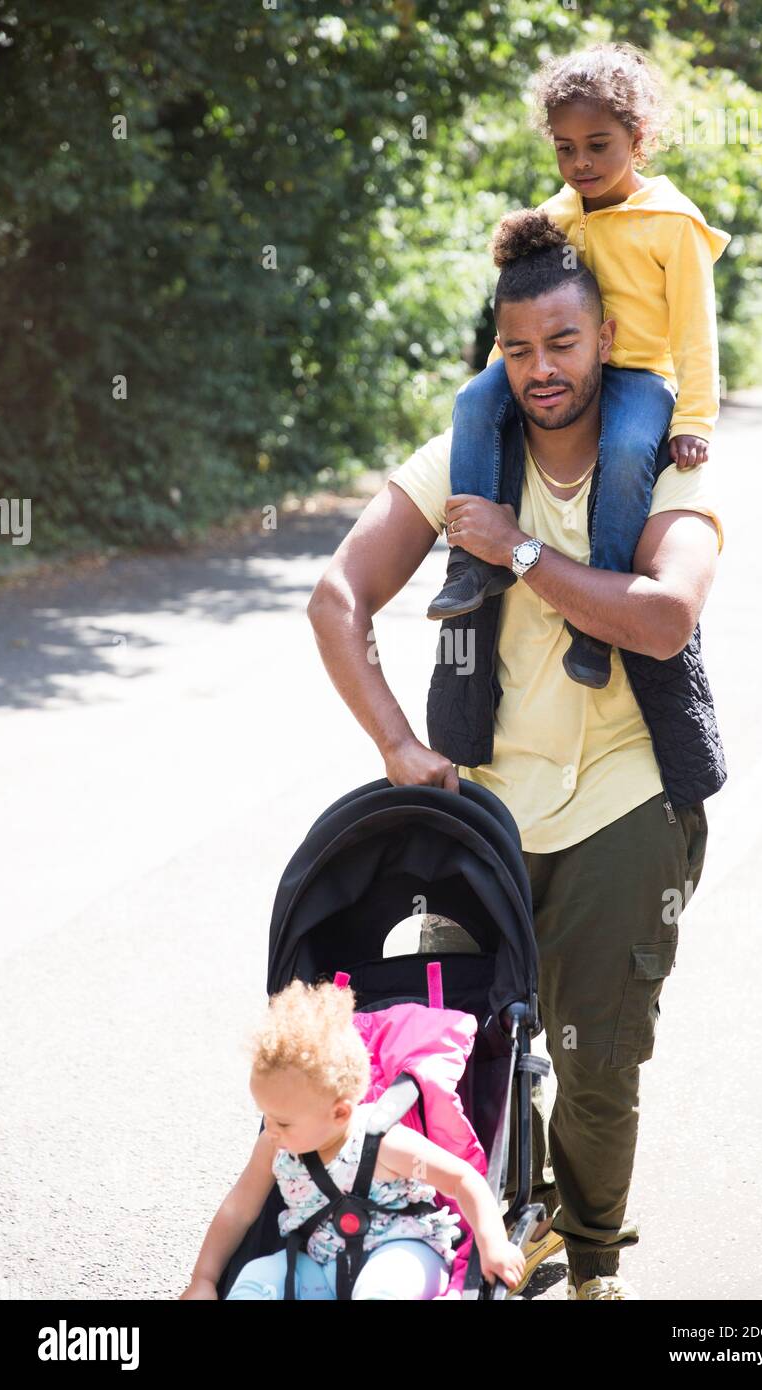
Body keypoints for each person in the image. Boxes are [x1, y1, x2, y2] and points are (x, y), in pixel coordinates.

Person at [305, 209, 725, 1299]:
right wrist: (395, 742)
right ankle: (479, 1229)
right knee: (464, 1050)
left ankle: (590, 1265)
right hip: (482, 811)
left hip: (622, 802)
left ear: (604, 341)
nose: (541, 369)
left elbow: (665, 615)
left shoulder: (666, 457)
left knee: (594, 1063)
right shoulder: (461, 457)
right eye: (518, 349)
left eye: (564, 344)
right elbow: (335, 596)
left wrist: (518, 548)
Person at [427, 41, 729, 692]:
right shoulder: (557, 214)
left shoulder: (673, 222)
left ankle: (596, 619)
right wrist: (499, 373)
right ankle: (471, 563)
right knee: (472, 403)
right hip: (560, 364)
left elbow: (696, 332)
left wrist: (696, 418)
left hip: (639, 375)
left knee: (623, 452)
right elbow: (522, 312)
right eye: (565, 148)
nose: (580, 162)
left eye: (598, 145)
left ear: (638, 137)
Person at [179, 979, 525, 1300]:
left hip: (405, 1253)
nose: (270, 1128)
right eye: (265, 1114)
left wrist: (492, 1242)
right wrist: (204, 1279)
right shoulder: (275, 1145)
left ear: (340, 1113)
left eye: (282, 1120)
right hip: (320, 1266)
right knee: (257, 1276)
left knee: (383, 1285)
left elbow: (463, 1179)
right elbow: (239, 1210)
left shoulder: (383, 1143)